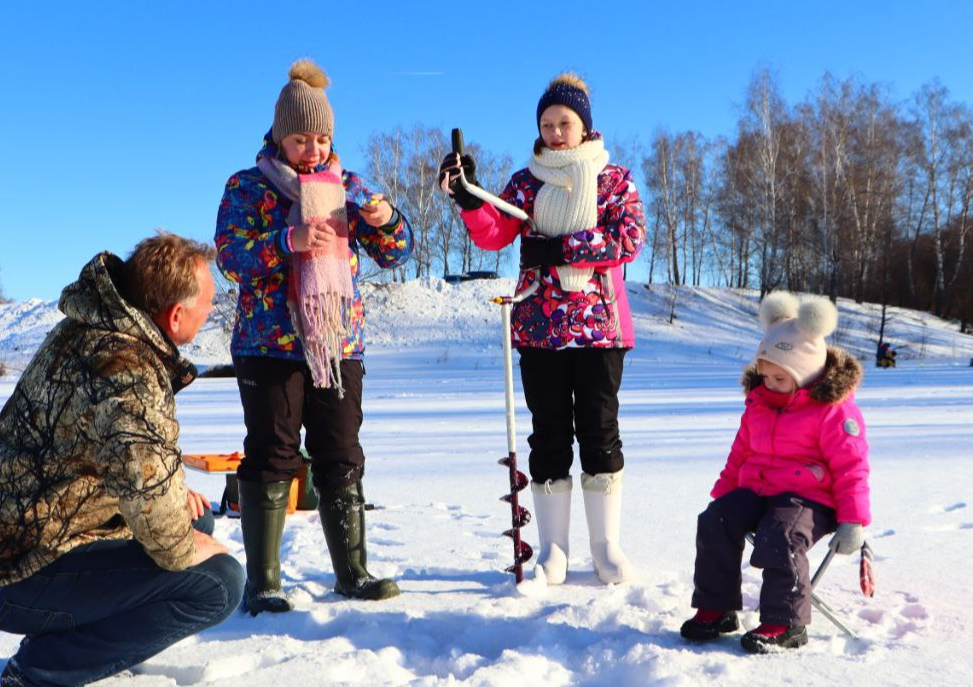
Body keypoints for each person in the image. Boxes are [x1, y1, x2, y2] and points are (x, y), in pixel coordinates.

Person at [0, 233, 244, 687]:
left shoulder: (94, 330)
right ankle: (42, 672)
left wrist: (180, 513)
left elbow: (130, 457)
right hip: (13, 570)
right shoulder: (125, 370)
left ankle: (80, 639)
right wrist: (190, 547)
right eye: (207, 306)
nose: (211, 312)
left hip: (11, 539)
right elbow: (156, 511)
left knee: (197, 516)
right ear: (174, 315)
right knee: (219, 583)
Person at [214, 60, 413, 614]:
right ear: (280, 135)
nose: (313, 149)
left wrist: (386, 220)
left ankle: (353, 573)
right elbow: (231, 258)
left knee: (341, 452)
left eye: (322, 138)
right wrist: (288, 239)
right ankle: (265, 583)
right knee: (274, 453)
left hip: (338, 343)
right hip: (269, 345)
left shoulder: (349, 187)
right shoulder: (247, 187)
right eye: (302, 138)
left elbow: (398, 252)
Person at [439, 72, 646, 586]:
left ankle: (606, 546)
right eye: (547, 124)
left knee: (600, 433)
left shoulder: (614, 179)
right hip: (539, 328)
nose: (556, 132)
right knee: (549, 434)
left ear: (584, 127)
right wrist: (468, 197)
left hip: (600, 329)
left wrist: (562, 249)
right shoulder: (526, 182)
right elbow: (495, 233)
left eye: (565, 123)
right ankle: (554, 548)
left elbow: (629, 239)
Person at [680, 292, 871, 653]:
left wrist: (853, 521)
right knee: (716, 520)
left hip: (811, 499)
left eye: (780, 379)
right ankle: (717, 608)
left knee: (780, 533)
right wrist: (725, 496)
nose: (768, 384)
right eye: (765, 375)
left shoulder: (833, 412)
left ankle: (785, 622)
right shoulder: (759, 403)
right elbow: (740, 452)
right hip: (759, 490)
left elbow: (852, 468)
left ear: (807, 374)